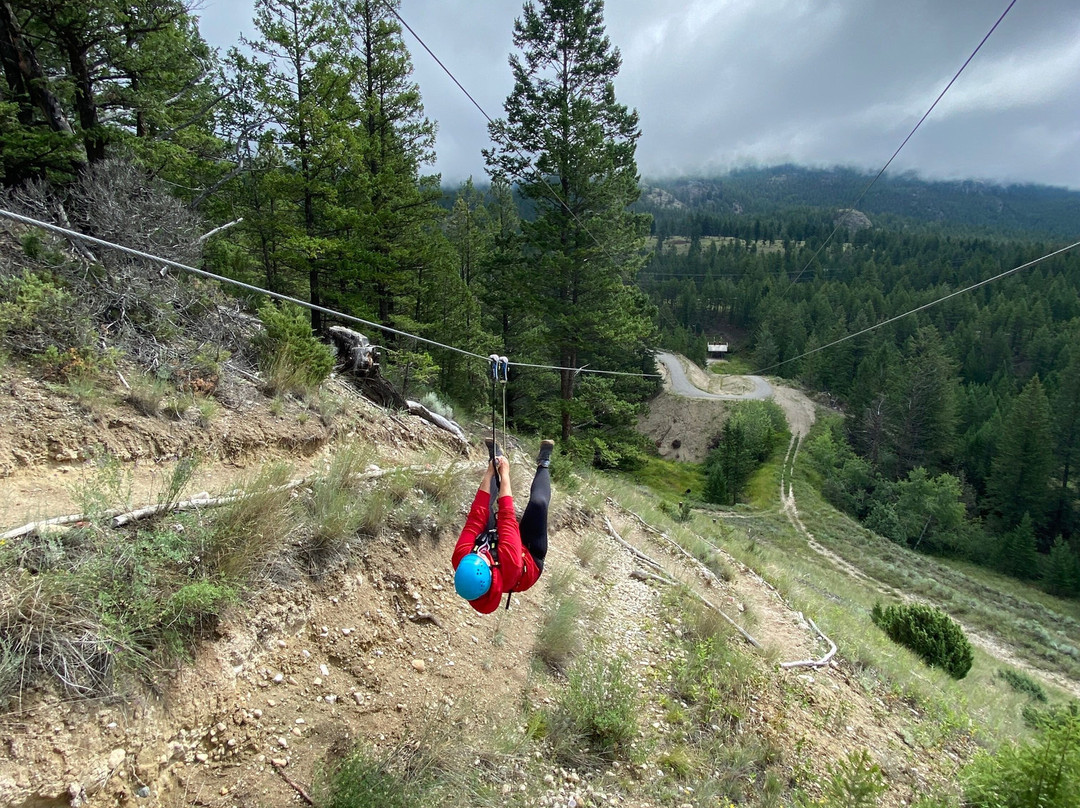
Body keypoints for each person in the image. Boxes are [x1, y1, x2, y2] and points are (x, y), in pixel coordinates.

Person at [452, 440, 554, 614]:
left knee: (484, 512)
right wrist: (505, 473)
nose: (479, 553)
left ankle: (494, 459)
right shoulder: (510, 563)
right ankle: (544, 463)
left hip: (497, 548)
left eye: (475, 554)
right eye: (482, 558)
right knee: (538, 503)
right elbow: (507, 516)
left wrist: (490, 471)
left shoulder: (461, 557)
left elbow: (476, 515)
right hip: (528, 556)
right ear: (490, 572)